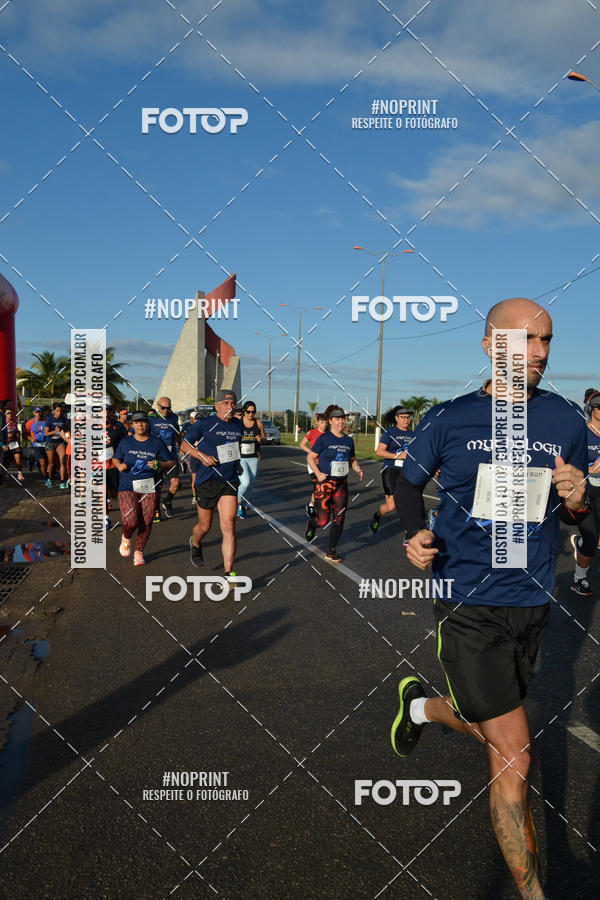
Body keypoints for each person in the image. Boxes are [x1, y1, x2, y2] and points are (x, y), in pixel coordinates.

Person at [390, 297, 589, 900]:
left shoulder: (564, 421)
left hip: (532, 601)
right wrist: (413, 534)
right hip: (466, 601)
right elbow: (406, 482)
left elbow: (586, 514)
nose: (538, 354)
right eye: (523, 341)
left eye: (546, 341)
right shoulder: (450, 419)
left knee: (501, 734)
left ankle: (422, 709)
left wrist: (581, 498)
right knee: (515, 753)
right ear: (487, 346)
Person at [180, 389, 243, 576]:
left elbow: (234, 447)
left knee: (229, 524)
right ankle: (196, 542)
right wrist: (202, 456)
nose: (230, 407)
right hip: (206, 480)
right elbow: (184, 445)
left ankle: (228, 572)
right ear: (216, 405)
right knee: (205, 526)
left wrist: (237, 463)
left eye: (233, 404)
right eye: (225, 403)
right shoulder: (204, 424)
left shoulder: (238, 425)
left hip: (229, 480)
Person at [112, 411, 173, 565]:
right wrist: (119, 465)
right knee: (131, 521)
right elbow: (115, 458)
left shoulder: (157, 442)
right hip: (128, 486)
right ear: (131, 425)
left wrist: (159, 464)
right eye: (136, 422)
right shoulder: (126, 442)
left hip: (149, 487)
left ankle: (139, 552)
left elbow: (171, 463)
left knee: (146, 521)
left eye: (143, 421)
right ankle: (126, 537)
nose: (140, 425)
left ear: (148, 423)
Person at [305, 405, 363, 562]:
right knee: (323, 520)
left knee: (339, 518)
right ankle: (312, 523)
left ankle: (331, 550)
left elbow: (352, 458)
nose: (341, 422)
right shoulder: (323, 439)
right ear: (330, 421)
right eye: (337, 419)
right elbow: (310, 457)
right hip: (324, 483)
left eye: (343, 419)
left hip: (341, 484)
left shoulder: (348, 440)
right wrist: (318, 474)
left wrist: (357, 468)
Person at [569, 388, 600, 595]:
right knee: (591, 539)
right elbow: (572, 463)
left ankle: (580, 543)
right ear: (590, 409)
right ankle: (579, 579)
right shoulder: (582, 432)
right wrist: (590, 468)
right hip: (588, 492)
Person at [369, 405, 414, 534]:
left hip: (407, 471)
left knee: (408, 503)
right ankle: (377, 515)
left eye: (407, 417)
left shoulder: (413, 434)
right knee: (391, 506)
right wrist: (397, 456)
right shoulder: (390, 433)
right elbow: (379, 451)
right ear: (396, 418)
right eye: (402, 417)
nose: (405, 420)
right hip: (391, 471)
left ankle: (408, 533)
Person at [150, 396, 181, 521]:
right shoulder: (151, 419)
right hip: (156, 458)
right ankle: (156, 510)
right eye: (163, 408)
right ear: (158, 406)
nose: (165, 411)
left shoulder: (173, 418)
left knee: (176, 483)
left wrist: (182, 451)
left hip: (171, 457)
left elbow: (177, 435)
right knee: (158, 486)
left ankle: (167, 501)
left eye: (168, 408)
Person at [237, 400, 266, 518]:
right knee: (245, 482)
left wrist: (261, 439)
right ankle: (237, 501)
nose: (251, 414)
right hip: (241, 457)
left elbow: (264, 438)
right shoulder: (238, 423)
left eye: (253, 412)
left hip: (253, 457)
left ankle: (242, 506)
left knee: (251, 484)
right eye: (248, 412)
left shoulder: (258, 423)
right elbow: (232, 436)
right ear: (244, 411)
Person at [299, 413, 327, 517]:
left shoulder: (328, 433)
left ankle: (313, 504)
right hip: (313, 464)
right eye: (322, 422)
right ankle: (311, 506)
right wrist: (311, 452)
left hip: (325, 464)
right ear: (317, 423)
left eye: (326, 422)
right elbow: (301, 444)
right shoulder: (312, 432)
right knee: (318, 485)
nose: (324, 424)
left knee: (323, 486)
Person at [44, 402, 68, 488]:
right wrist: (54, 431)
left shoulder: (63, 418)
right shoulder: (49, 419)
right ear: (53, 411)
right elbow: (46, 433)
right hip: (50, 442)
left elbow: (67, 429)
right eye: (57, 411)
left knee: (63, 461)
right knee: (51, 463)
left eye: (60, 411)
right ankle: (49, 479)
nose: (59, 412)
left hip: (59, 442)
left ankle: (62, 481)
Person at [1, 408, 24, 481]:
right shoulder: (3, 423)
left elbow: (17, 433)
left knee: (18, 459)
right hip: (6, 444)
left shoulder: (14, 423)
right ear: (4, 415)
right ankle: (5, 472)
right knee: (6, 460)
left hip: (14, 443)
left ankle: (19, 473)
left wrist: (17, 440)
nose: (10, 414)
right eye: (8, 413)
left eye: (11, 413)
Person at [28, 407, 49, 480]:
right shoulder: (30, 422)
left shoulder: (45, 421)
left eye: (39, 412)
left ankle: (48, 475)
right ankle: (47, 478)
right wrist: (31, 438)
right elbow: (24, 433)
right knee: (42, 463)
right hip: (36, 445)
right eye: (37, 412)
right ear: (33, 413)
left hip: (46, 444)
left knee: (49, 462)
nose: (38, 413)